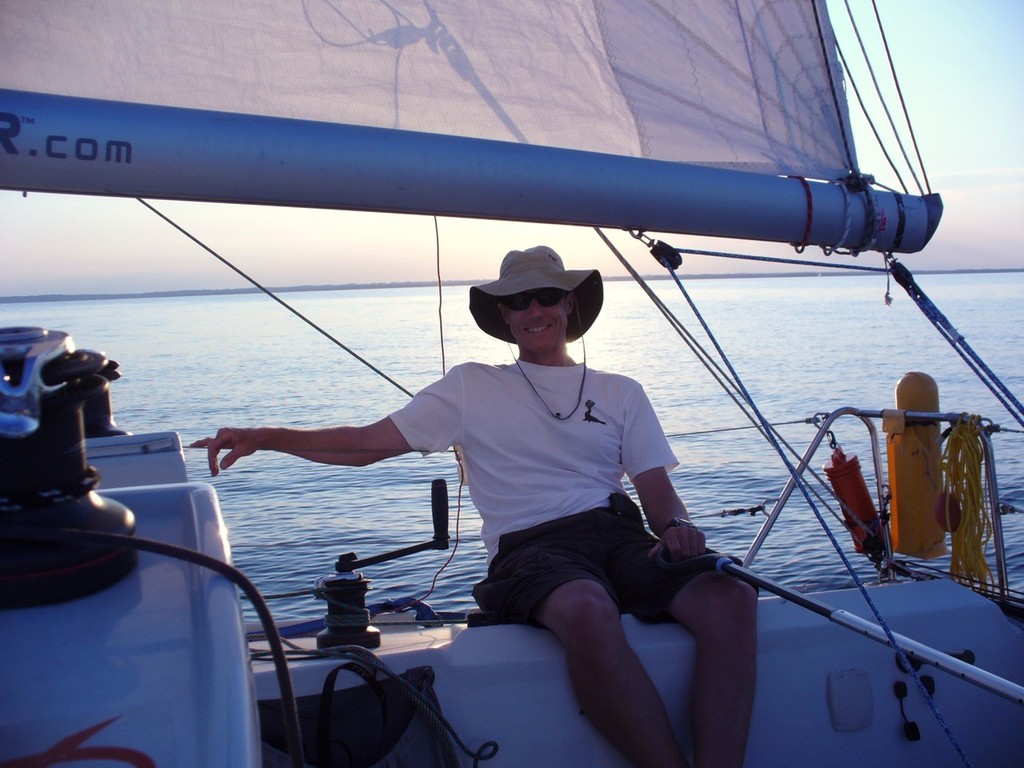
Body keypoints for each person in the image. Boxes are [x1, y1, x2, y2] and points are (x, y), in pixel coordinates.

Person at [193, 246, 757, 768]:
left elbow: (657, 495)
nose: (533, 310)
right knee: (586, 608)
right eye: (517, 301)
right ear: (505, 317)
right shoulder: (469, 386)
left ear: (568, 303)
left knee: (729, 597)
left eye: (544, 297)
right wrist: (267, 436)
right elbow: (366, 444)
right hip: (532, 548)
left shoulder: (622, 391)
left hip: (620, 535)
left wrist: (678, 528)